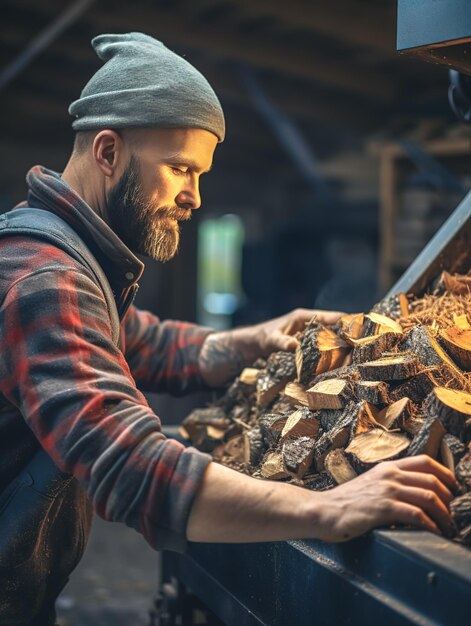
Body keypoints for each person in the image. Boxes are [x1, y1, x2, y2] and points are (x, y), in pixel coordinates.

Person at [0, 32, 457, 625]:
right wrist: (330, 508)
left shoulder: (71, 260)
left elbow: (148, 344)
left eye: (201, 173)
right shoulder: (46, 279)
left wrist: (258, 336)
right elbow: (131, 467)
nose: (194, 197)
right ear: (107, 151)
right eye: (179, 168)